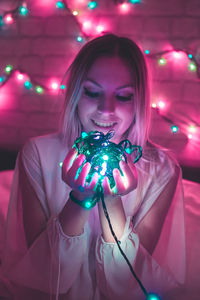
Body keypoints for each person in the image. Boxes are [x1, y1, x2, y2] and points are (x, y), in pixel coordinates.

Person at [1, 34, 186, 300]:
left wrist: (112, 199)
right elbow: (49, 278)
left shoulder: (162, 169)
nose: (106, 109)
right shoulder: (37, 155)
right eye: (92, 92)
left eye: (123, 96)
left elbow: (124, 284)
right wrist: (79, 198)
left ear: (139, 101)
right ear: (76, 93)